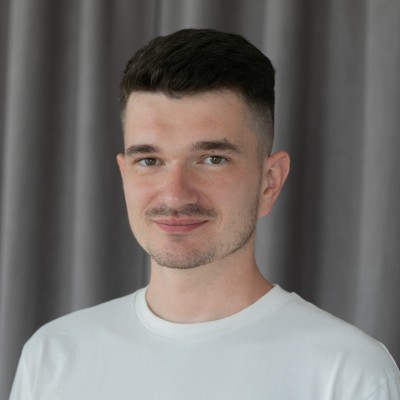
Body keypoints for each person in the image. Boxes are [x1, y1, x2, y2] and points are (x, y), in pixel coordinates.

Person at [9, 28, 400, 400]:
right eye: (149, 160)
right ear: (124, 174)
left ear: (269, 181)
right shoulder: (53, 356)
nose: (175, 193)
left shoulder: (349, 374)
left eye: (213, 159)